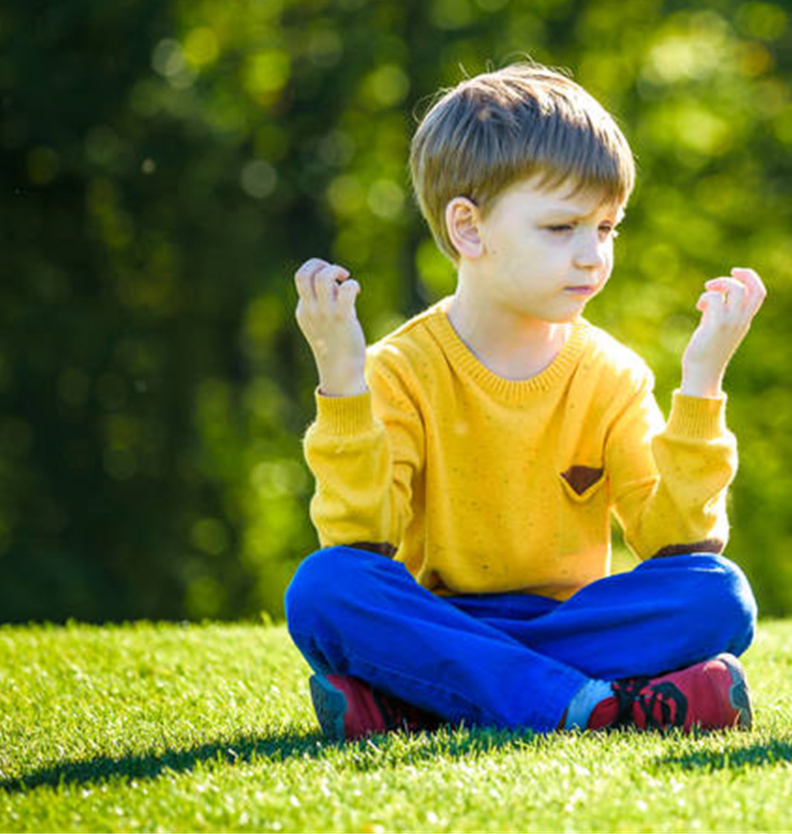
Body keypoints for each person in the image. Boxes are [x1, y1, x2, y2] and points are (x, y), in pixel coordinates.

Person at [283, 64, 766, 740]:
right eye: (561, 227)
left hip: (572, 623)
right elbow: (363, 540)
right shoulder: (400, 370)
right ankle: (601, 703)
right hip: (440, 619)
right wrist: (342, 381)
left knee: (719, 593)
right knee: (325, 589)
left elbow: (673, 544)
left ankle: (428, 701)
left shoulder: (612, 374)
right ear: (468, 229)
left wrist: (702, 382)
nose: (592, 255)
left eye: (606, 227)